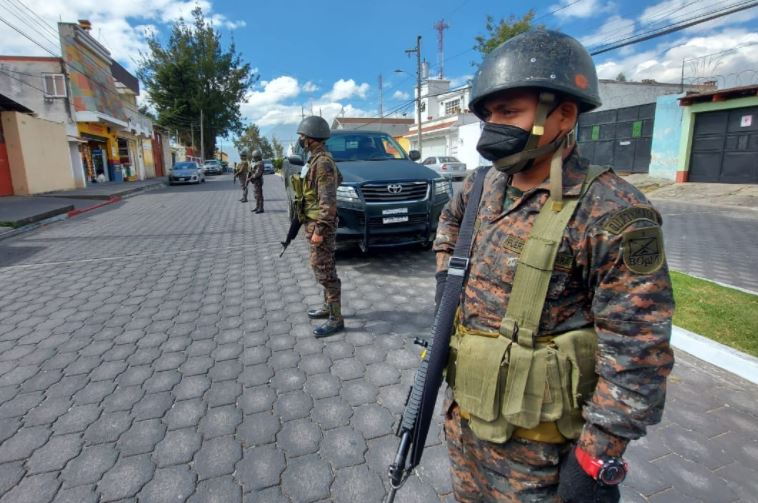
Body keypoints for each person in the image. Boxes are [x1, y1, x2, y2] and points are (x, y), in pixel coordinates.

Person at [433, 30, 674, 502]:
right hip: (466, 424)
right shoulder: (482, 187)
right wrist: (446, 279)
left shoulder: (613, 212)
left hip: (539, 457)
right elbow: (449, 222)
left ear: (564, 114)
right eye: (489, 115)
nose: (492, 128)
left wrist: (596, 458)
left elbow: (638, 351)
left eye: (510, 112)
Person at [297, 115, 345, 337]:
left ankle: (336, 319)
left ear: (311, 138)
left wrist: (320, 230)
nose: (300, 139)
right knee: (324, 266)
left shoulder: (323, 162)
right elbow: (340, 179)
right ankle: (328, 307)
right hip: (314, 223)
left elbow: (328, 202)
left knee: (324, 271)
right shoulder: (315, 160)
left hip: (320, 226)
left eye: (302, 136)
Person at [250, 149, 265, 213]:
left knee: (259, 195)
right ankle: (257, 207)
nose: (254, 158)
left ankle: (261, 208)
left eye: (255, 157)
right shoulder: (257, 163)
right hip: (256, 181)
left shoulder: (260, 163)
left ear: (257, 157)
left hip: (258, 181)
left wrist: (251, 177)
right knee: (256, 194)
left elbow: (258, 174)